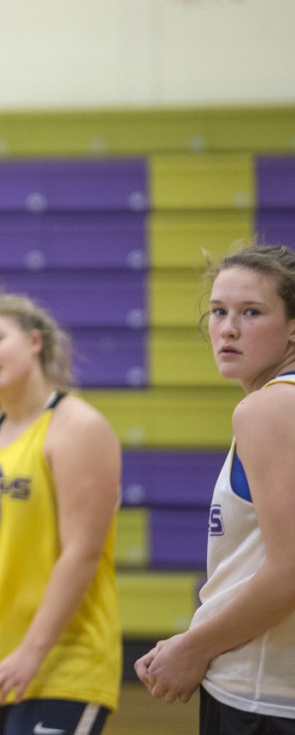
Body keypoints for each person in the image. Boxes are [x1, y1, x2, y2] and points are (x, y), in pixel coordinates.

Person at [0, 291, 122, 735]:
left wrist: (32, 652)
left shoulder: (77, 427)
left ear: (35, 341)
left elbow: (82, 553)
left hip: (60, 663)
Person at [135, 242, 295, 732]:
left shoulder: (267, 409)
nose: (227, 328)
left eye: (251, 312)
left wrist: (194, 646)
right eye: (218, 311)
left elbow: (291, 567)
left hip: (261, 694)